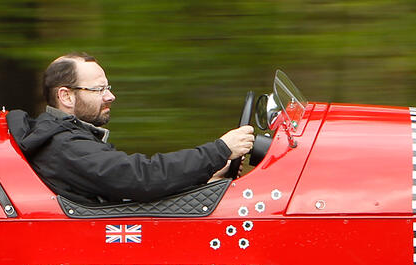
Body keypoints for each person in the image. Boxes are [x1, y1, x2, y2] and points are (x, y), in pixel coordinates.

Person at [15, 53, 255, 205]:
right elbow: (142, 178)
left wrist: (208, 175)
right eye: (99, 90)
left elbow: (124, 192)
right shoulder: (64, 145)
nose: (111, 96)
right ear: (66, 96)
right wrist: (220, 150)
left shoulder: (68, 137)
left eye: (108, 87)